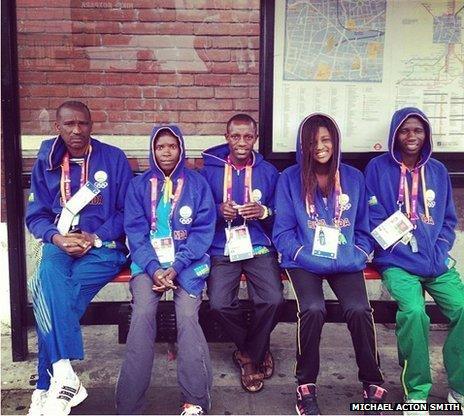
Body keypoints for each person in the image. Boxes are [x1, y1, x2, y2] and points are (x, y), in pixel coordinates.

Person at [273, 113, 386, 415]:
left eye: (326, 140)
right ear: (303, 146)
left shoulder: (354, 177)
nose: (320, 147)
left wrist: (360, 253)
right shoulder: (289, 179)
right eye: (313, 141)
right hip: (304, 262)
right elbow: (282, 233)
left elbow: (364, 227)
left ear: (335, 142)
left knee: (359, 310)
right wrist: (303, 255)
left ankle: (372, 381)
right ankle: (305, 385)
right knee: (312, 309)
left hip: (345, 260)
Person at [25, 101, 132, 416]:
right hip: (60, 243)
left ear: (92, 125)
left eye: (83, 123)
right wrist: (57, 238)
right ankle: (64, 376)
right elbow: (36, 215)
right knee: (47, 278)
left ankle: (46, 385)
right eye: (69, 124)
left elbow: (128, 211)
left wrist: (94, 237)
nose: (76, 130)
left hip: (103, 247)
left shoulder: (112, 159)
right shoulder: (46, 161)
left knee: (49, 295)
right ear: (56, 127)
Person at [365, 107, 464, 414]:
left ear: (426, 135)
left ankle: (459, 387)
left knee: (462, 308)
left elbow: (447, 220)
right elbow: (372, 217)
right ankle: (417, 391)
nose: (411, 137)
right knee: (414, 313)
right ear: (395, 134)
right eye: (405, 131)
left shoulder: (436, 171)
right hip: (397, 261)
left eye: (418, 131)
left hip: (435, 262)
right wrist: (404, 251)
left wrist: (440, 247)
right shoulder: (377, 168)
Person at [116, 125, 215, 415]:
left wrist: (177, 266)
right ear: (153, 150)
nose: (167, 152)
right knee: (143, 313)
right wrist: (154, 267)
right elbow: (135, 232)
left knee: (186, 316)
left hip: (188, 265)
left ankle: (195, 401)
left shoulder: (196, 185)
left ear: (181, 148)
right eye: (161, 147)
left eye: (172, 146)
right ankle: (129, 405)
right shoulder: (139, 185)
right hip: (149, 266)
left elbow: (202, 231)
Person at [201, 113, 284, 393]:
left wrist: (263, 211)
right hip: (221, 245)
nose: (241, 142)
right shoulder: (209, 170)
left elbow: (280, 213)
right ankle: (254, 349)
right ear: (226, 137)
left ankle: (250, 355)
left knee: (273, 298)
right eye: (235, 136)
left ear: (255, 138)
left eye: (248, 136)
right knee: (219, 303)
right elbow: (197, 209)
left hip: (258, 244)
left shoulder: (269, 172)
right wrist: (216, 209)